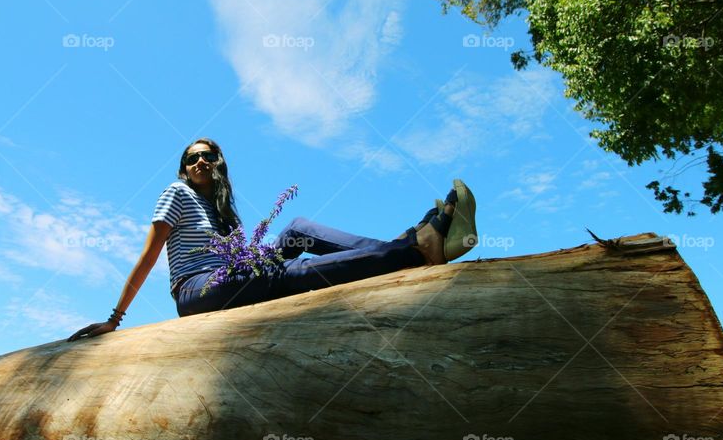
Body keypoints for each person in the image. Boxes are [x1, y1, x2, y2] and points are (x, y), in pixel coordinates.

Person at [67, 138, 476, 342]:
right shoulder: (177, 194)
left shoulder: (225, 212)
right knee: (285, 272)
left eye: (207, 156)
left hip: (230, 276)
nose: (199, 162)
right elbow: (148, 256)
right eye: (191, 158)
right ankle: (413, 247)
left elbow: (243, 258)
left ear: (219, 164)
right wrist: (114, 320)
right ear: (183, 169)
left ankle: (405, 244)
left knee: (296, 230)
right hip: (196, 291)